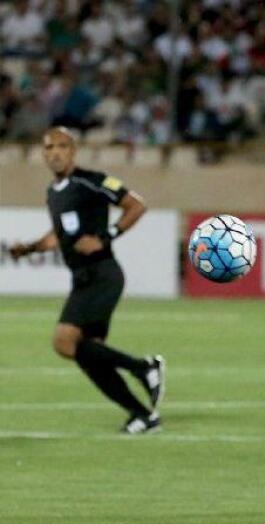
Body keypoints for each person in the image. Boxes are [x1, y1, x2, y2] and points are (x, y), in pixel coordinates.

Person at [8, 127, 165, 434]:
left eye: (61, 146)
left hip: (102, 274)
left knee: (64, 342)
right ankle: (143, 415)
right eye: (49, 147)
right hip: (83, 279)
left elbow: (136, 205)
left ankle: (144, 367)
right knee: (90, 355)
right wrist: (27, 249)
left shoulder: (92, 181)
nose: (54, 152)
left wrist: (107, 236)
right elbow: (58, 235)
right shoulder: (53, 192)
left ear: (73, 151)